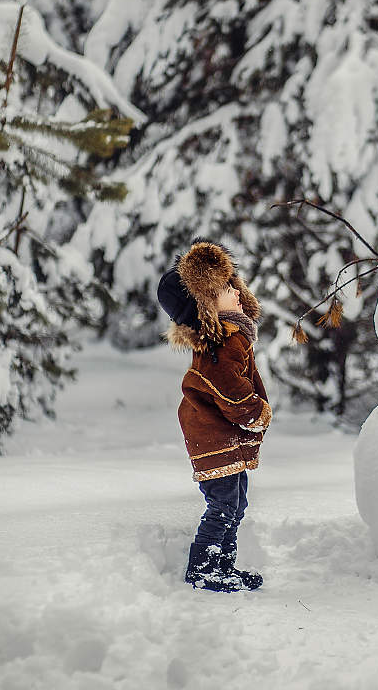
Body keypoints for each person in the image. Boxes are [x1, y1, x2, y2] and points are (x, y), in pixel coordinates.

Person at [156, 241, 271, 592]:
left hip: (222, 438)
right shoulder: (218, 345)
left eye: (234, 283)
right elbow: (228, 389)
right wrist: (256, 412)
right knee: (223, 505)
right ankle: (203, 570)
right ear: (204, 306)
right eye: (224, 289)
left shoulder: (231, 336)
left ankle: (223, 566)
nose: (236, 291)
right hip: (213, 438)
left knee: (236, 503)